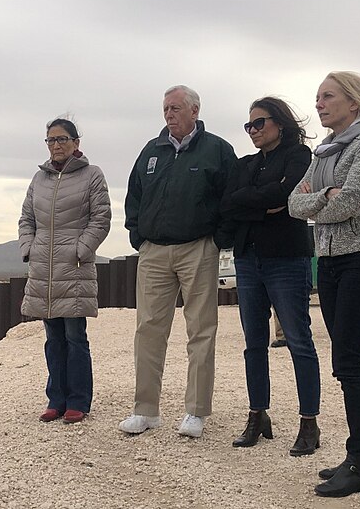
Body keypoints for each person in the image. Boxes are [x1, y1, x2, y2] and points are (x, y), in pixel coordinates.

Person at [288, 72, 360, 498]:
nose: (319, 104)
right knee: (349, 359)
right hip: (329, 261)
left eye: (327, 96)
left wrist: (325, 197)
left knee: (348, 361)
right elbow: (294, 205)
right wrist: (326, 195)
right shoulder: (322, 153)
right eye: (317, 97)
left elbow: (351, 202)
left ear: (353, 102)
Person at [120, 85, 237, 438]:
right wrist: (137, 236)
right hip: (154, 251)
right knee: (148, 330)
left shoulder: (217, 150)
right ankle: (145, 410)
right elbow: (134, 195)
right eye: (165, 109)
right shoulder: (151, 151)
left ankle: (196, 411)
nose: (169, 114)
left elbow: (231, 197)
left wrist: (218, 239)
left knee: (201, 330)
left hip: (198, 248)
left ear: (194, 110)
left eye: (175, 108)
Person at [222, 97, 320, 454]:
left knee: (298, 340)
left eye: (259, 123)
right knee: (254, 342)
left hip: (286, 258)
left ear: (280, 122)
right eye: (248, 125)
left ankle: (309, 422)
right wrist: (265, 207)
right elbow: (229, 203)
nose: (253, 130)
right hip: (248, 258)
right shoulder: (245, 163)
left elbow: (286, 193)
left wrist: (251, 201)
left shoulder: (299, 156)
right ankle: (257, 414)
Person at [19, 118, 112, 424]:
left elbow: (101, 218)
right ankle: (55, 399)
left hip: (73, 267)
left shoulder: (92, 175)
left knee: (75, 336)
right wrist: (29, 248)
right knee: (53, 338)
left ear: (76, 143)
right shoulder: (39, 178)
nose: (56, 145)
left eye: (62, 139)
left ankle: (78, 401)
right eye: (51, 140)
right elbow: (26, 218)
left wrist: (80, 250)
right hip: (44, 269)